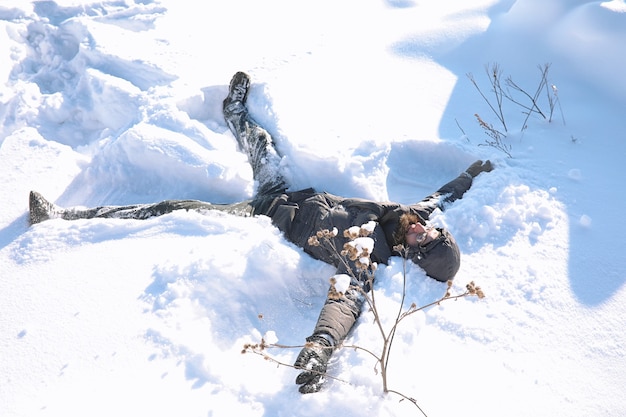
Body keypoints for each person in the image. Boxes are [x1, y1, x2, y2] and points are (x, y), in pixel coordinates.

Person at [28, 71, 493, 394]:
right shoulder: (412, 214)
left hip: (263, 218)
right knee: (262, 144)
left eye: (423, 242)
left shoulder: (367, 254)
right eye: (431, 232)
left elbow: (346, 300)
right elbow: (445, 195)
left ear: (412, 256)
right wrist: (476, 171)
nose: (423, 230)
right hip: (286, 192)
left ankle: (64, 220)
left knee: (175, 208)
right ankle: (234, 111)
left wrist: (320, 348)